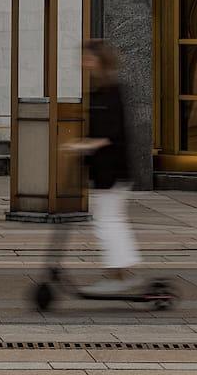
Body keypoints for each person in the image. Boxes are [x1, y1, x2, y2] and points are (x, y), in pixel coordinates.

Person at [65, 40, 141, 294]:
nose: (83, 62)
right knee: (110, 220)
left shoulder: (111, 92)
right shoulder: (101, 90)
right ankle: (118, 274)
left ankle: (118, 276)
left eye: (88, 57)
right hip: (107, 170)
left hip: (113, 169)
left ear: (100, 60)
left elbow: (111, 133)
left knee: (108, 221)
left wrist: (82, 146)